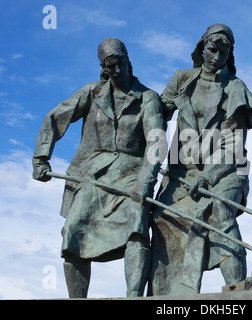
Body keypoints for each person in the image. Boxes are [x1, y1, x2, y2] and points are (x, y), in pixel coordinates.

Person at [32, 38, 166, 298]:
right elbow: (56, 117)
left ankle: (134, 296)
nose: (116, 69)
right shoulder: (93, 92)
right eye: (110, 65)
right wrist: (41, 156)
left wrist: (145, 181)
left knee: (136, 225)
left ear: (129, 61)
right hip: (92, 176)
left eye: (120, 63)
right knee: (73, 231)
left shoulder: (148, 98)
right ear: (103, 67)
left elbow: (156, 143)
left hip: (131, 175)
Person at [149, 24, 252, 295]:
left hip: (226, 172)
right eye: (212, 49)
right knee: (161, 217)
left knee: (219, 211)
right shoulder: (182, 79)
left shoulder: (236, 89)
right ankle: (168, 296)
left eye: (224, 52)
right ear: (202, 48)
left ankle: (237, 292)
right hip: (182, 172)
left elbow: (233, 146)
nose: (217, 56)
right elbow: (156, 114)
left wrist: (208, 176)